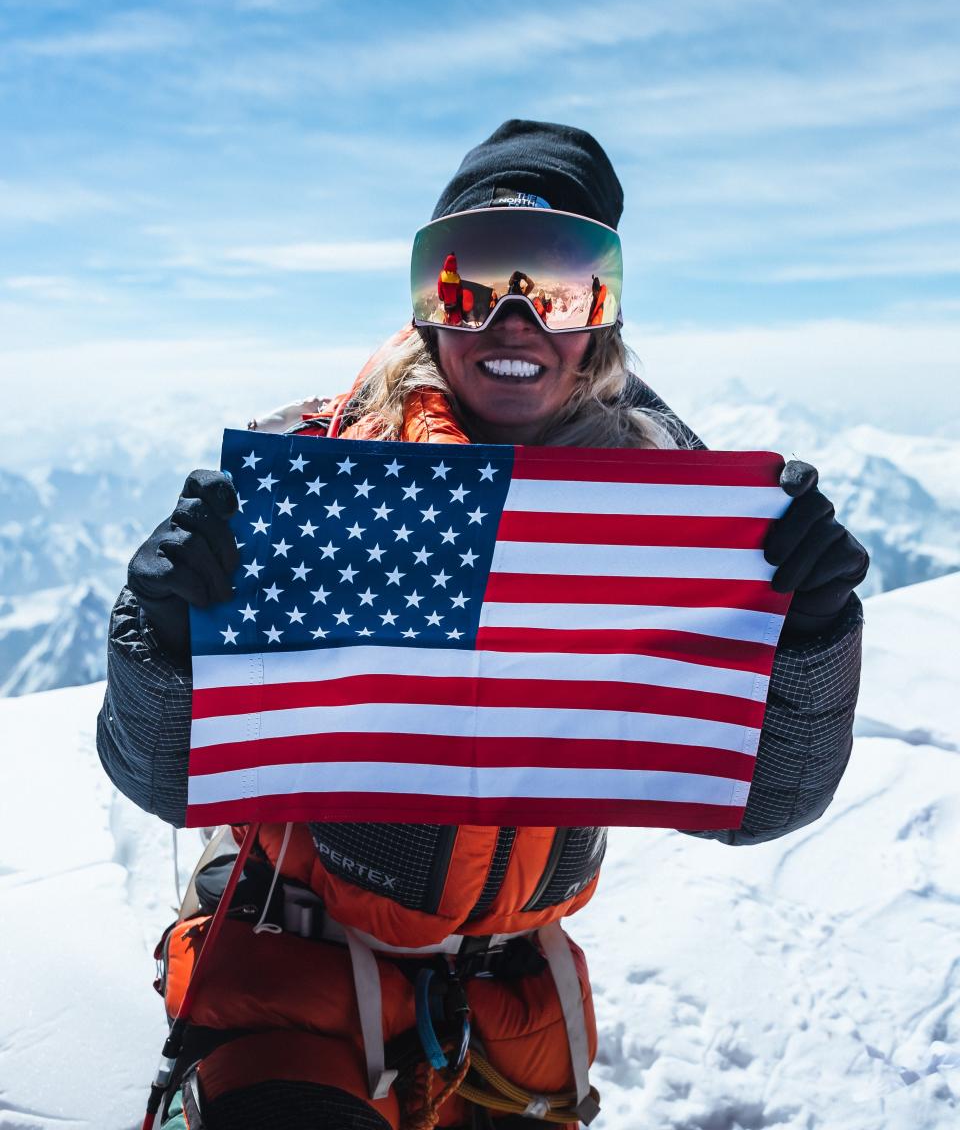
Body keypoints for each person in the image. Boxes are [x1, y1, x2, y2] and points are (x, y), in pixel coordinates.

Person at [98, 120, 869, 1129]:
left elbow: (754, 805)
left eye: (557, 283)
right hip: (291, 979)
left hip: (508, 1014)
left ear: (604, 318)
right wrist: (159, 630)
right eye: (467, 279)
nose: (514, 318)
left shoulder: (668, 528)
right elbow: (163, 776)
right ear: (427, 310)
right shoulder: (315, 471)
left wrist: (809, 637)